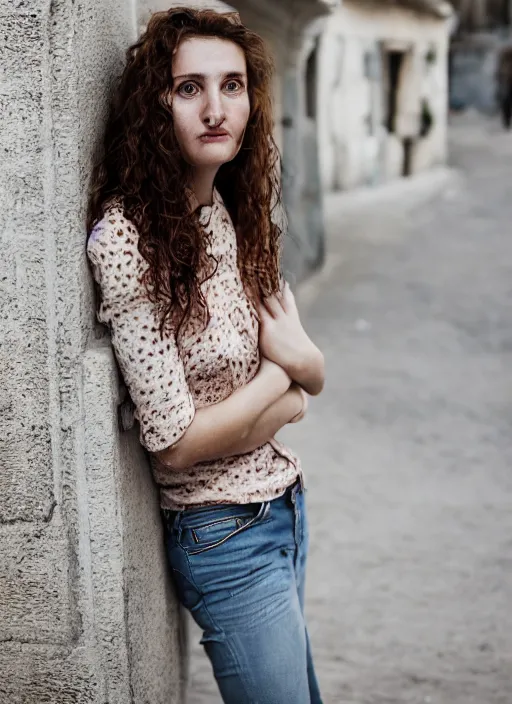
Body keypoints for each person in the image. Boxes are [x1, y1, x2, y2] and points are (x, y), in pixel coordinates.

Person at [86, 7, 325, 703]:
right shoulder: (128, 243)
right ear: (155, 104)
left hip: (283, 506)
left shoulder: (231, 212)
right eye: (190, 87)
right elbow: (176, 445)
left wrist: (296, 377)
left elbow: (318, 374)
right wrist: (283, 378)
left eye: (233, 85)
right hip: (222, 534)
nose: (217, 109)